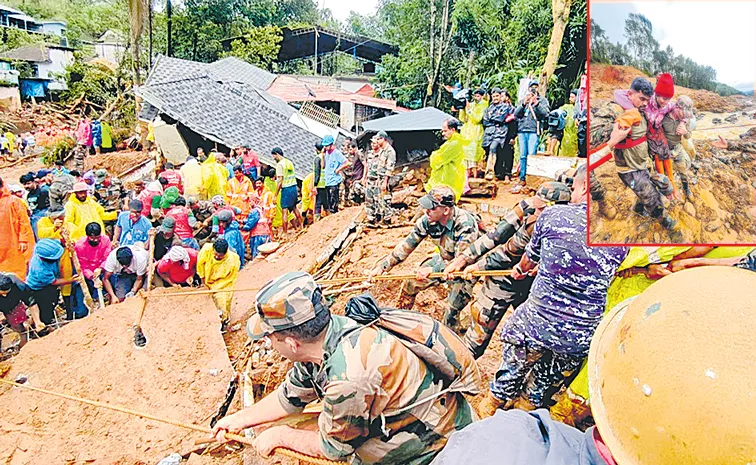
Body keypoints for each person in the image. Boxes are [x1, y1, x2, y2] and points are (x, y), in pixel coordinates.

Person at [212, 271, 477, 464]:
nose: (269, 343)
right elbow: (289, 398)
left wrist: (280, 436)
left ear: (291, 342)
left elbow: (333, 448)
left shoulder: (349, 377)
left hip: (436, 445)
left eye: (270, 337)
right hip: (402, 423)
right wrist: (239, 420)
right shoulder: (323, 338)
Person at [482, 164, 627, 414]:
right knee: (546, 378)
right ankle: (529, 404)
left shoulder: (554, 216)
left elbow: (528, 261)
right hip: (581, 336)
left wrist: (522, 269)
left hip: (538, 322)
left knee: (516, 344)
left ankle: (495, 401)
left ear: (583, 187)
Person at [443, 182, 572, 359]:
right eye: (537, 207)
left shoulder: (566, 225)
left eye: (541, 209)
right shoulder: (528, 209)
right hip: (502, 278)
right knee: (476, 338)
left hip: (533, 286)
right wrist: (465, 259)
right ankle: (459, 372)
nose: (536, 212)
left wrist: (541, 265)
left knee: (534, 339)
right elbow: (498, 236)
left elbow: (512, 253)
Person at [369, 185, 482, 332]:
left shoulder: (465, 224)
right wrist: (383, 267)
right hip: (444, 259)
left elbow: (460, 261)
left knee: (449, 316)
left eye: (432, 208)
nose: (426, 211)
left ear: (446, 210)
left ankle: (455, 337)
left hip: (464, 269)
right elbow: (407, 245)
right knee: (410, 283)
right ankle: (399, 322)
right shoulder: (428, 220)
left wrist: (433, 269)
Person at [590, 76, 679, 238]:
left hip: (643, 161)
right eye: (641, 99)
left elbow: (661, 110)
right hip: (629, 168)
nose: (645, 103)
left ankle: (638, 209)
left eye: (647, 100)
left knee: (658, 186)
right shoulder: (616, 110)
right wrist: (612, 134)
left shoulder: (642, 108)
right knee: (653, 197)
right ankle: (666, 223)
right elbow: (592, 135)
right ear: (630, 94)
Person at [37, 207, 83, 319]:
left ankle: (69, 312)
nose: (60, 219)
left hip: (64, 256)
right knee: (50, 283)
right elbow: (42, 235)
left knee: (67, 283)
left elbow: (77, 236)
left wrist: (72, 242)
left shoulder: (68, 224)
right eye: (57, 218)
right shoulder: (42, 222)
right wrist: (54, 228)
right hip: (48, 258)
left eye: (62, 217)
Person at [26, 239, 78, 325]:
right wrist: (70, 280)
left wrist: (66, 242)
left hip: (49, 283)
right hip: (38, 288)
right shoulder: (40, 269)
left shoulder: (46, 245)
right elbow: (54, 282)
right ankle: (41, 325)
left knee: (54, 299)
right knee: (46, 308)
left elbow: (60, 242)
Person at [512, 80, 550, 193]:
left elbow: (546, 114)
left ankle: (531, 178)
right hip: (522, 129)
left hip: (534, 130)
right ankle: (522, 178)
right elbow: (516, 114)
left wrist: (536, 104)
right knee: (523, 155)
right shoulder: (523, 100)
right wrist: (524, 103)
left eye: (535, 87)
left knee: (531, 155)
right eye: (531, 87)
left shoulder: (542, 100)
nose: (533, 89)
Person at [196, 238, 240, 329]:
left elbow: (231, 277)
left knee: (223, 302)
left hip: (224, 283)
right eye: (215, 254)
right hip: (209, 280)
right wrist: (204, 283)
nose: (217, 257)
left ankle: (224, 321)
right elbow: (200, 267)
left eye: (220, 256)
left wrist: (219, 288)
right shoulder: (206, 250)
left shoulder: (233, 260)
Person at [0, 177, 35, 280]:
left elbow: (23, 221)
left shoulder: (13, 201)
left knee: (17, 274)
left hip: (14, 244)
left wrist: (23, 240)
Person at [425, 119, 468, 200]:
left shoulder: (454, 143)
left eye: (445, 131)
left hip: (449, 178)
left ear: (453, 130)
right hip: (450, 176)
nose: (443, 133)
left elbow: (437, 160)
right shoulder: (453, 141)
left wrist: (433, 154)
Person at [0, 273, 46, 346]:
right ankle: (22, 336)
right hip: (5, 310)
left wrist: (38, 321)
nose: (5, 295)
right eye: (2, 293)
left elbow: (31, 301)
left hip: (15, 305)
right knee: (17, 327)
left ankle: (30, 330)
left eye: (7, 292)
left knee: (22, 320)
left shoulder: (18, 285)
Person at [482, 88, 516, 182]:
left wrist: (492, 119)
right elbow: (485, 121)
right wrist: (494, 120)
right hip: (489, 133)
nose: (495, 98)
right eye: (493, 96)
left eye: (497, 96)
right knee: (488, 150)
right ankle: (496, 173)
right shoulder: (488, 108)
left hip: (500, 133)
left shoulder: (506, 107)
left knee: (495, 148)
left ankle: (490, 172)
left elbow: (500, 118)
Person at [362, 131, 396, 224]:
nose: (376, 141)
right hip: (378, 179)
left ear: (383, 139)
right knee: (377, 200)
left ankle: (387, 220)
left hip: (385, 180)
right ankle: (375, 218)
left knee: (385, 200)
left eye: (378, 139)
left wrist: (385, 181)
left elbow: (389, 168)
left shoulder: (390, 151)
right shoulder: (382, 150)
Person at [74, 222, 112, 305]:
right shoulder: (80, 245)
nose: (95, 240)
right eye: (92, 238)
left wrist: (101, 268)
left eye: (97, 238)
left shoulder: (106, 240)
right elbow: (83, 265)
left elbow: (108, 257)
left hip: (104, 269)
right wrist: (92, 277)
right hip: (87, 274)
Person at [271, 147, 302, 234]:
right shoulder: (289, 162)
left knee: (284, 211)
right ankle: (301, 226)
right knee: (294, 208)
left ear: (277, 154)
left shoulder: (280, 165)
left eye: (274, 156)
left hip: (286, 188)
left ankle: (285, 233)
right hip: (294, 187)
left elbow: (280, 181)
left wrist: (275, 195)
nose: (273, 158)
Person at [459, 89, 489, 178]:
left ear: (482, 96)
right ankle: (467, 175)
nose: (476, 98)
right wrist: (463, 109)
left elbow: (477, 118)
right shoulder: (471, 104)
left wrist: (469, 110)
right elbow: (463, 119)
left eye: (478, 96)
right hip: (466, 131)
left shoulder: (484, 104)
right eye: (475, 96)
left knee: (473, 154)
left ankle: (475, 175)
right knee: (465, 154)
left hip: (476, 131)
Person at [321, 135, 350, 214]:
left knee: (334, 200)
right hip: (327, 180)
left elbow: (347, 163)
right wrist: (323, 156)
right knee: (328, 201)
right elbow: (323, 166)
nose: (326, 148)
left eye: (327, 146)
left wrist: (338, 169)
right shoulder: (326, 153)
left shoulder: (337, 153)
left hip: (334, 180)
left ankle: (335, 212)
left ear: (331, 144)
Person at [20, 171, 50, 235]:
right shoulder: (28, 195)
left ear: (34, 182)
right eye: (24, 184)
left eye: (28, 183)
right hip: (34, 218)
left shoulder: (43, 192)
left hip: (44, 218)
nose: (26, 186)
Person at [312, 142, 328, 221]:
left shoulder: (318, 158)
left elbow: (317, 173)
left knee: (318, 204)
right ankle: (330, 218)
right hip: (327, 183)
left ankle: (316, 221)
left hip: (320, 184)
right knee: (326, 203)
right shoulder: (327, 157)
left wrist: (315, 185)